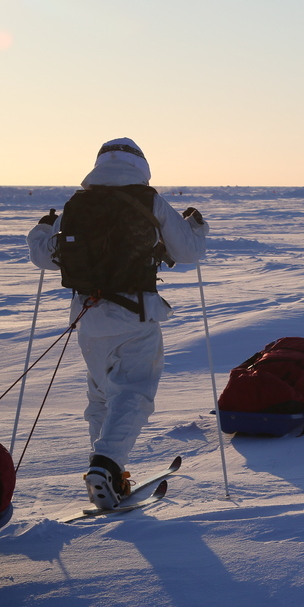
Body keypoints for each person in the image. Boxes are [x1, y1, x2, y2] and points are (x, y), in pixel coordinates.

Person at [26, 138, 208, 509]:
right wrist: (197, 227)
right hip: (135, 314)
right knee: (133, 393)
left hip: (87, 317)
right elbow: (189, 252)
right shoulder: (150, 200)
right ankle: (107, 465)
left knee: (102, 396)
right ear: (141, 165)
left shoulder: (77, 204)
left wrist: (42, 230)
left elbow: (44, 257)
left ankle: (110, 474)